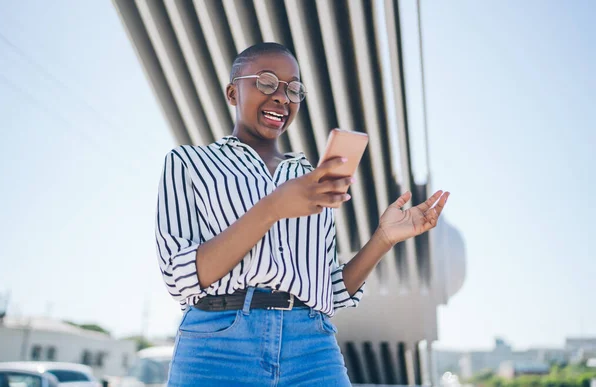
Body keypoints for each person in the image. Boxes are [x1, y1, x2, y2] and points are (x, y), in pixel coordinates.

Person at [155, 42, 449, 386]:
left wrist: (384, 239)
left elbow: (331, 290)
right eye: (266, 82)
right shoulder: (190, 163)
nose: (282, 97)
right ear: (233, 93)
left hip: (311, 347)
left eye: (294, 89)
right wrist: (273, 207)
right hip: (218, 345)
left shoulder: (310, 178)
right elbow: (183, 278)